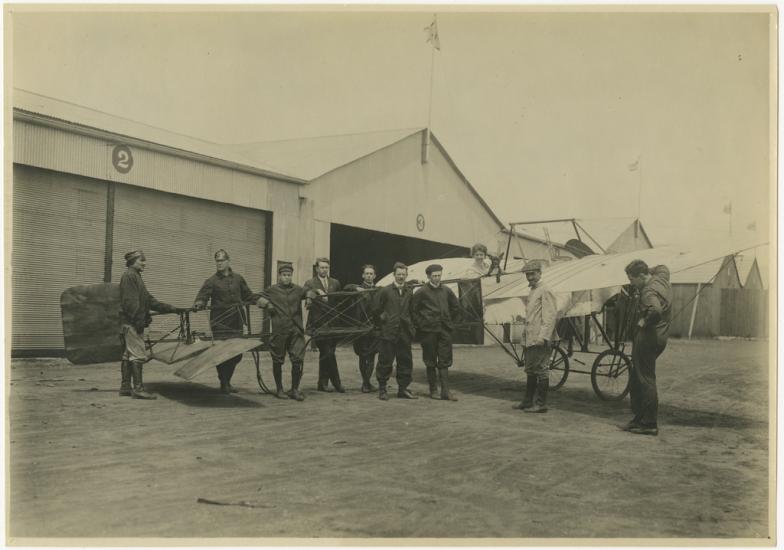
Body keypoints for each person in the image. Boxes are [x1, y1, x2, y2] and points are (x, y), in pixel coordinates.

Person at [193, 249, 264, 394]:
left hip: (237, 321)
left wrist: (259, 300)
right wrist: (199, 302)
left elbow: (248, 295)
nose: (219, 264)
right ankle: (224, 383)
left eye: (221, 261)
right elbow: (202, 296)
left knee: (237, 354)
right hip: (219, 323)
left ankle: (226, 380)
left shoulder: (238, 278)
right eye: (217, 261)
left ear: (228, 261)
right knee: (221, 354)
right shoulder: (212, 281)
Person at [620, 260, 672, 436]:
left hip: (648, 338)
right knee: (638, 376)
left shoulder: (648, 291)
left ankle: (649, 423)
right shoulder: (661, 278)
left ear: (642, 276)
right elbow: (663, 267)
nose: (631, 283)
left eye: (632, 279)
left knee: (645, 379)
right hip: (660, 337)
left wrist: (643, 321)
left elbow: (655, 310)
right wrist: (645, 269)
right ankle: (640, 418)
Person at [119, 250, 179, 400]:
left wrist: (172, 308)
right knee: (138, 354)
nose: (144, 263)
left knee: (128, 355)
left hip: (130, 323)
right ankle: (138, 389)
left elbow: (149, 300)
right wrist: (139, 321)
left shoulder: (135, 276)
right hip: (132, 324)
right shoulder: (130, 276)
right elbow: (130, 304)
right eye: (142, 260)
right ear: (133, 261)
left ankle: (125, 387)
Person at [513, 259, 558, 413]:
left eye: (532, 274)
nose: (530, 277)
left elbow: (550, 316)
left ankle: (541, 404)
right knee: (531, 369)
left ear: (540, 273)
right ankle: (527, 401)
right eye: (527, 274)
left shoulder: (545, 290)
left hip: (539, 338)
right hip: (530, 338)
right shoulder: (533, 290)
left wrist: (543, 337)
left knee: (541, 370)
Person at [412, 264, 462, 401]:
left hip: (444, 331)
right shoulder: (421, 292)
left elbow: (456, 307)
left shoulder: (446, 290)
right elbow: (413, 311)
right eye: (434, 276)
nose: (437, 278)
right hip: (428, 332)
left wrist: (450, 322)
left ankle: (445, 391)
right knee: (430, 361)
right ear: (428, 276)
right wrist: (422, 324)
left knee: (445, 360)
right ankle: (433, 390)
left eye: (439, 275)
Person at [258, 264, 308, 401]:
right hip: (279, 330)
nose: (287, 278)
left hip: (296, 330)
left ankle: (294, 389)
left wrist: (310, 296)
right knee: (278, 359)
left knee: (297, 359)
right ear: (279, 276)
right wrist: (267, 304)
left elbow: (309, 291)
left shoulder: (298, 289)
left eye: (289, 275)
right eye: (284, 275)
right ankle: (279, 389)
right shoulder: (272, 290)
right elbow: (257, 297)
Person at [374, 262, 416, 400]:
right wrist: (384, 321)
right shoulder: (385, 291)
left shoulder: (409, 291)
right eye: (399, 274)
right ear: (394, 275)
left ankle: (403, 389)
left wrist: (411, 327)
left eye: (404, 275)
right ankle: (382, 389)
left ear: (406, 275)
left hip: (404, 333)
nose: (401, 277)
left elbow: (412, 311)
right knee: (385, 361)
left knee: (405, 361)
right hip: (388, 333)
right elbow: (376, 310)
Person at [303, 257, 345, 392]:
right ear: (316, 268)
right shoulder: (310, 283)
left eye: (326, 267)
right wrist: (316, 291)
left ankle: (322, 383)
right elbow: (305, 293)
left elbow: (340, 300)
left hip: (333, 323)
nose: (324, 270)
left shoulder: (335, 283)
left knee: (328, 352)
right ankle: (337, 383)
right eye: (322, 267)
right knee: (327, 352)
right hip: (318, 323)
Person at [344, 264, 380, 393]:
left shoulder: (378, 290)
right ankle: (366, 383)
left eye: (371, 274)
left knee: (371, 356)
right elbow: (346, 287)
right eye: (367, 273)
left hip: (374, 327)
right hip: (360, 327)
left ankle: (366, 383)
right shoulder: (357, 288)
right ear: (363, 275)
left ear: (375, 276)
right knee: (362, 356)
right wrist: (356, 288)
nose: (369, 276)